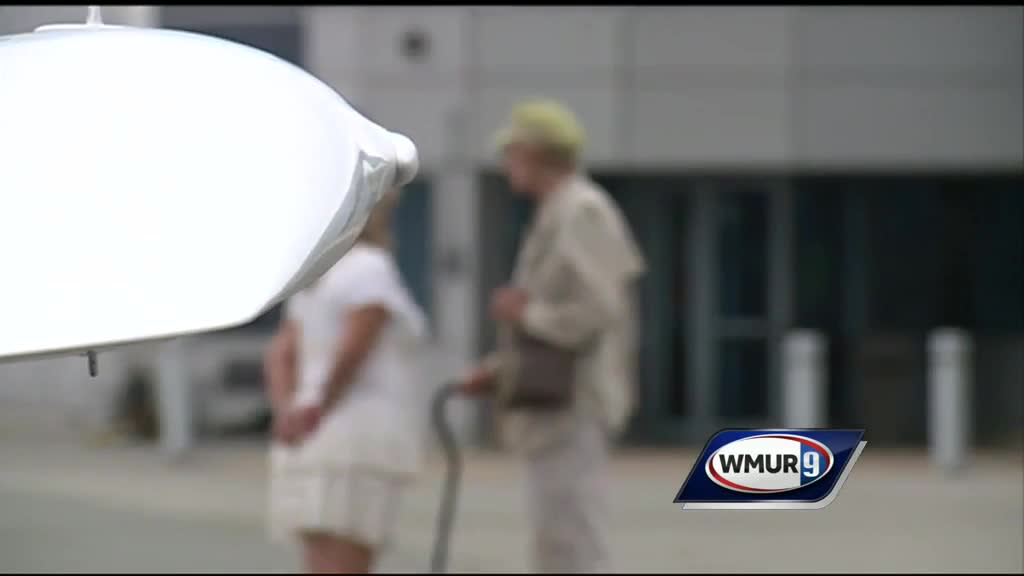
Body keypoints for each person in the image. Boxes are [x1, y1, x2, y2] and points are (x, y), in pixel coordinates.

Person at [458, 99, 646, 573]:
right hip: (552, 407)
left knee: (573, 544)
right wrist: (499, 371)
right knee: (555, 542)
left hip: (575, 405)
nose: (506, 166)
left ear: (538, 154)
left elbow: (596, 311)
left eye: (512, 153)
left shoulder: (582, 211)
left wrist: (526, 313)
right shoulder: (556, 212)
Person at [263, 188, 427, 574]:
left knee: (318, 558)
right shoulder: (370, 266)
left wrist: (288, 408)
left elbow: (281, 352)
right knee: (349, 559)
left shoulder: (313, 272)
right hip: (354, 433)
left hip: (308, 435)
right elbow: (355, 348)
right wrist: (321, 405)